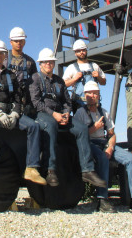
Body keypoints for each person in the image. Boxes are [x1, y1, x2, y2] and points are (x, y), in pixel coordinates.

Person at [29, 48, 106, 188]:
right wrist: (53, 115)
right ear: (40, 64)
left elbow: (67, 101)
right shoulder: (35, 79)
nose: (48, 64)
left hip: (61, 115)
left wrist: (65, 113)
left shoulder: (59, 80)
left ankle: (87, 170)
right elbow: (36, 103)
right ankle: (50, 169)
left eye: (51, 62)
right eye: (45, 62)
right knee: (51, 125)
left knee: (82, 128)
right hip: (42, 115)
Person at [74, 81, 132, 212]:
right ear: (85, 95)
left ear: (99, 95)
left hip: (104, 143)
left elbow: (112, 134)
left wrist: (110, 147)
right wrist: (94, 128)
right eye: (89, 93)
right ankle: (102, 199)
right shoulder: (80, 113)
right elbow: (77, 135)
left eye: (95, 93)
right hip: (89, 144)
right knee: (103, 159)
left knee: (131, 159)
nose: (92, 95)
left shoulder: (104, 113)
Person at [0, 40, 46, 184]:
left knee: (33, 126)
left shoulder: (11, 75)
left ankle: (31, 168)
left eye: (2, 53)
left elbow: (17, 98)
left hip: (8, 110)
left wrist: (15, 113)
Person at [63, 39, 106, 109]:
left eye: (83, 50)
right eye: (78, 51)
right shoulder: (71, 68)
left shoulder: (94, 66)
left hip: (94, 104)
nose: (81, 52)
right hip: (79, 104)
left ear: (86, 50)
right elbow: (63, 84)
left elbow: (103, 82)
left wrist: (98, 77)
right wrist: (74, 79)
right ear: (75, 53)